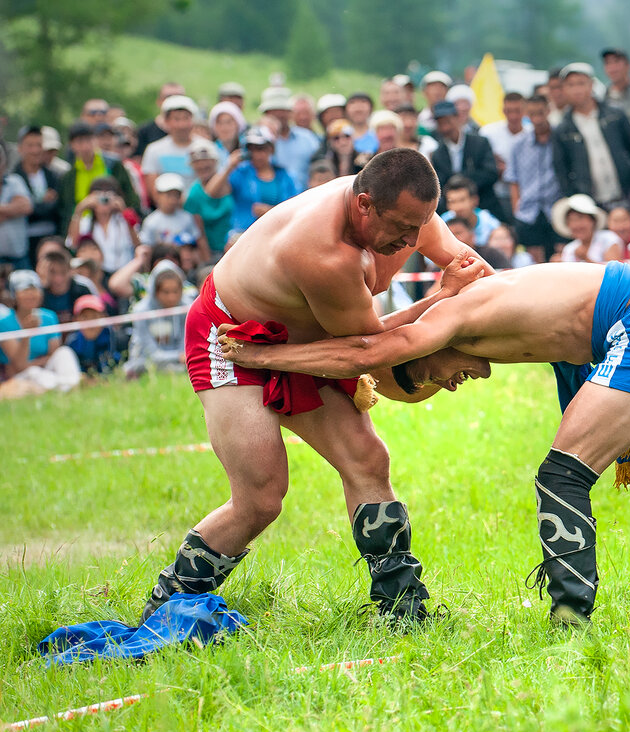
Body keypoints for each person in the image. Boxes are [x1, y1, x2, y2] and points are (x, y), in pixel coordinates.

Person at [216, 260, 630, 625]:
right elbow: (397, 333)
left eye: (432, 380)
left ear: (425, 354)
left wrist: (272, 356)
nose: (451, 386)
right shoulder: (459, 311)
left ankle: (571, 617)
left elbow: (371, 346)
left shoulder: (458, 318)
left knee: (561, 477)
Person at [135, 149, 492, 628]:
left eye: (421, 226)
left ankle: (402, 607)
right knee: (261, 496)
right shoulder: (325, 252)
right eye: (402, 229)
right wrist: (440, 298)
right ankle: (169, 600)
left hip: (312, 338)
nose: (412, 240)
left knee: (368, 460)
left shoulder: (406, 208)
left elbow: (476, 272)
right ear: (364, 204)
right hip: (233, 337)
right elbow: (367, 347)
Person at [553, 62, 630, 208]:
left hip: (627, 195)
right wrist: (575, 200)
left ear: (591, 85)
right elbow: (561, 170)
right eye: (570, 85)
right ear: (564, 90)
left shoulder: (615, 115)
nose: (576, 90)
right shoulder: (563, 130)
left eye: (581, 83)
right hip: (591, 204)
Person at [2, 268, 82, 395]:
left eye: (34, 289)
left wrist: (35, 363)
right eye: (25, 290)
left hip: (46, 371)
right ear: (14, 294)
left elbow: (54, 354)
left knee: (64, 352)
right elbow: (19, 366)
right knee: (34, 372)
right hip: (20, 378)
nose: (31, 294)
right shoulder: (4, 322)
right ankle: (67, 387)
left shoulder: (49, 317)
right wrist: (26, 334)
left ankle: (69, 386)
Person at [204, 127, 298, 234]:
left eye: (260, 149)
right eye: (251, 149)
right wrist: (228, 167)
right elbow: (211, 192)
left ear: (270, 149)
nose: (256, 155)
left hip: (276, 234)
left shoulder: (284, 176)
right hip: (245, 234)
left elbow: (294, 210)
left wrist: (270, 212)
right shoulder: (241, 173)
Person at [505, 95, 563, 262]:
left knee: (560, 257)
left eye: (540, 112)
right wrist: (517, 207)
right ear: (526, 114)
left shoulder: (560, 138)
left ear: (548, 111)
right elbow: (513, 179)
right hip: (528, 210)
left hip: (556, 206)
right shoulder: (519, 144)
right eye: (532, 113)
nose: (537, 118)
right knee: (534, 262)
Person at [429, 101, 502, 219]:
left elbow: (491, 173)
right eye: (440, 123)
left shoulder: (479, 143)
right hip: (454, 213)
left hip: (485, 205)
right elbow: (439, 184)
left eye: (448, 121)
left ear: (457, 118)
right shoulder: (438, 153)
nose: (445, 127)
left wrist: (461, 182)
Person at [58, 122, 140, 227]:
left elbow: (130, 197)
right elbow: (65, 210)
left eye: (88, 140)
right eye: (79, 142)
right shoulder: (69, 176)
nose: (85, 147)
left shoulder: (113, 165)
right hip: (82, 228)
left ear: (95, 140)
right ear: (72, 145)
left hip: (114, 224)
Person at [123, 260, 194, 378]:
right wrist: (178, 357)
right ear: (155, 291)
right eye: (166, 292)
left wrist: (183, 357)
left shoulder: (187, 308)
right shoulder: (141, 311)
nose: (171, 297)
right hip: (145, 362)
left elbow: (185, 345)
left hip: (181, 362)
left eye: (175, 291)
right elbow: (150, 353)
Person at [65, 176, 140, 275]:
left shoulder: (122, 220)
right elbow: (73, 244)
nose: (103, 201)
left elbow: (137, 244)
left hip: (121, 274)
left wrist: (123, 210)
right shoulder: (86, 222)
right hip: (95, 275)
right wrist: (80, 209)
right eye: (98, 196)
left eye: (108, 196)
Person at [480, 92, 532, 221]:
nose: (513, 116)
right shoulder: (488, 133)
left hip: (526, 194)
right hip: (498, 195)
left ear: (525, 111)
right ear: (503, 110)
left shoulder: (532, 133)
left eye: (517, 111)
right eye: (509, 111)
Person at [12, 126, 62, 258]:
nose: (35, 150)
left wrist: (30, 204)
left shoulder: (53, 176)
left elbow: (57, 207)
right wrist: (39, 203)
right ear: (20, 148)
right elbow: (21, 210)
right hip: (23, 243)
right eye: (30, 145)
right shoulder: (14, 179)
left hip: (52, 238)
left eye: (39, 145)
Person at [259, 90, 322, 191]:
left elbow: (320, 165)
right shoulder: (261, 142)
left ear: (289, 112)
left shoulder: (307, 137)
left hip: (306, 197)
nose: (279, 115)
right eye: (273, 111)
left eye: (282, 110)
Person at [141, 95, 203, 197]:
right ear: (166, 121)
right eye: (176, 119)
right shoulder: (154, 150)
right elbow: (152, 189)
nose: (182, 125)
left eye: (186, 118)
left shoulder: (205, 147)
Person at [140, 174, 207, 261]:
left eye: (176, 195)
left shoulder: (187, 218)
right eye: (168, 195)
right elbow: (147, 248)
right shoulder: (151, 221)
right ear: (158, 195)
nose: (173, 200)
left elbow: (197, 242)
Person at [184, 140, 234, 256]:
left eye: (205, 160)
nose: (202, 165)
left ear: (214, 161)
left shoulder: (229, 182)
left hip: (236, 243)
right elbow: (199, 233)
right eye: (197, 162)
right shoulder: (194, 194)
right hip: (214, 251)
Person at [552, 194, 622, 263]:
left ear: (593, 220)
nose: (576, 225)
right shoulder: (569, 249)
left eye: (580, 218)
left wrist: (585, 258)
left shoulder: (609, 239)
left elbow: (613, 272)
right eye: (571, 220)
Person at [65, 294, 122, 376]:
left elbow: (113, 361)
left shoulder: (111, 335)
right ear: (76, 320)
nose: (90, 322)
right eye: (85, 317)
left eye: (94, 317)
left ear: (103, 316)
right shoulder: (72, 341)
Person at [36, 248, 94, 322]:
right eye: (52, 272)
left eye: (63, 272)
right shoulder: (38, 294)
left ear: (71, 271)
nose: (58, 279)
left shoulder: (83, 291)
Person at [0, 146, 34, 273]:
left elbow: (26, 207)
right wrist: (12, 210)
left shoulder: (15, 181)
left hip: (19, 260)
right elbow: (18, 207)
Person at [440, 175, 501, 245]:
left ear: (475, 200)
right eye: (452, 202)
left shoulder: (490, 223)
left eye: (462, 200)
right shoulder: (442, 223)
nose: (458, 207)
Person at [135, 82, 185, 160]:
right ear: (159, 101)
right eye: (169, 97)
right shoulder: (144, 131)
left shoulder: (194, 130)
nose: (174, 101)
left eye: (178, 97)